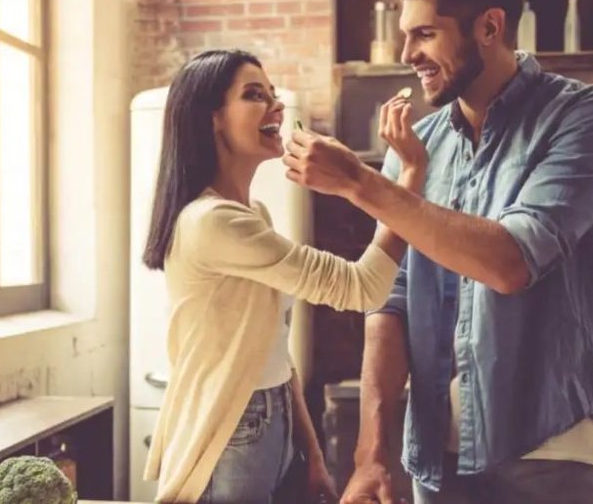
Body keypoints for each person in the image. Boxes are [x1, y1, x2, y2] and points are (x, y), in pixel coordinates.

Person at [283, 0, 593, 503]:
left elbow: (511, 261)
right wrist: (373, 454)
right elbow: (392, 300)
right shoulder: (420, 146)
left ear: (489, 26)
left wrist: (362, 184)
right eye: (405, 33)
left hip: (551, 445)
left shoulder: (585, 117)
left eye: (426, 34)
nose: (407, 52)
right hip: (437, 452)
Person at [140, 48, 427, 504]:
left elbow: (273, 348)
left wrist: (310, 453)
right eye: (254, 95)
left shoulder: (252, 214)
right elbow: (362, 287)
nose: (275, 105)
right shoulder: (212, 222)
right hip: (230, 428)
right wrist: (407, 175)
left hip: (271, 418)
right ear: (211, 118)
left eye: (272, 93)